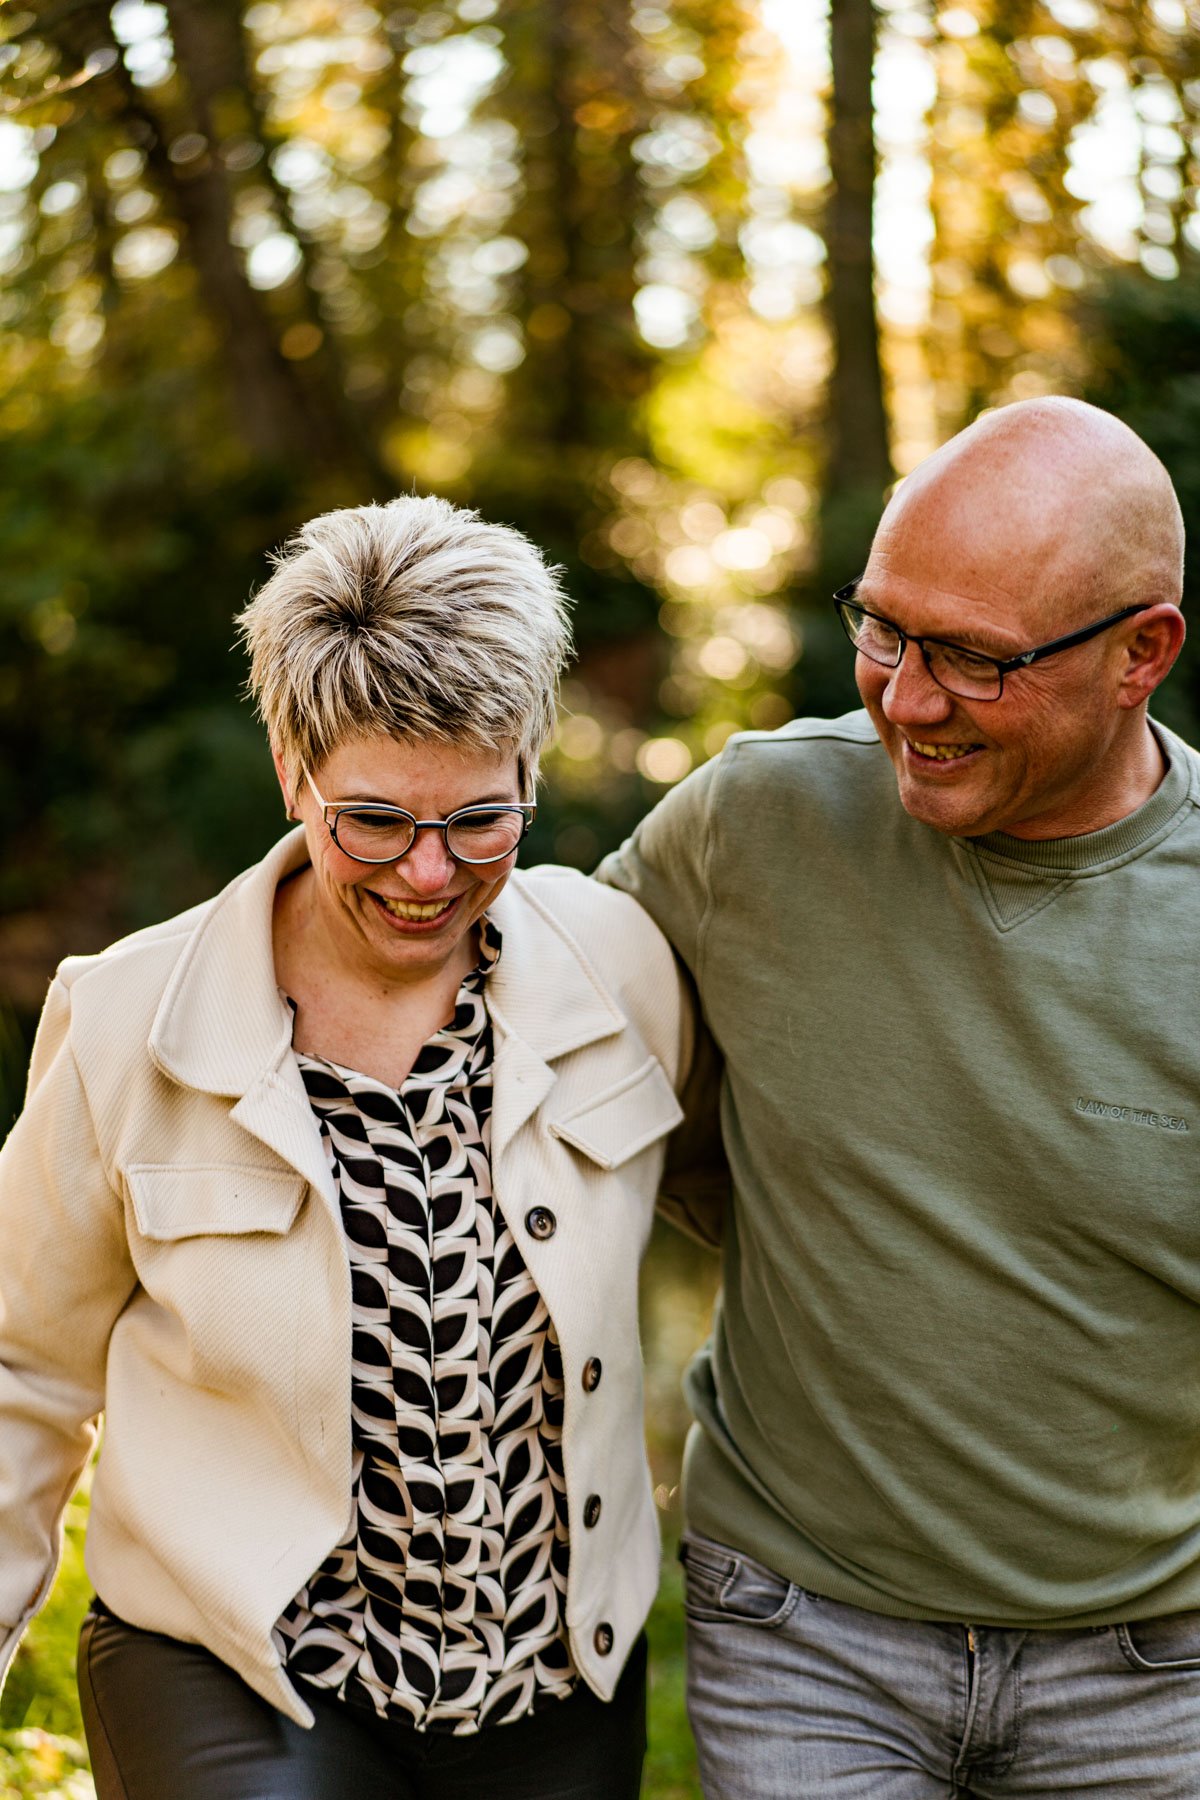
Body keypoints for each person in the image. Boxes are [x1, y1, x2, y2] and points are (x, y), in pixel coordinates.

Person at [0, 495, 699, 1800]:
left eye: (480, 821)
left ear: (532, 774)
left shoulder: (625, 974)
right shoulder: (125, 1023)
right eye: (372, 821)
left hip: (549, 1679)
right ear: (293, 771)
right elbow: (18, 1372)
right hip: (233, 1661)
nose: (427, 874)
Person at [598, 397, 1200, 1796]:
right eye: (884, 626)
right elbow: (539, 1047)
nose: (906, 698)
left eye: (977, 660)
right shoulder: (754, 822)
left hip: (1156, 1676)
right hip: (805, 1632)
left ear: (1142, 653)